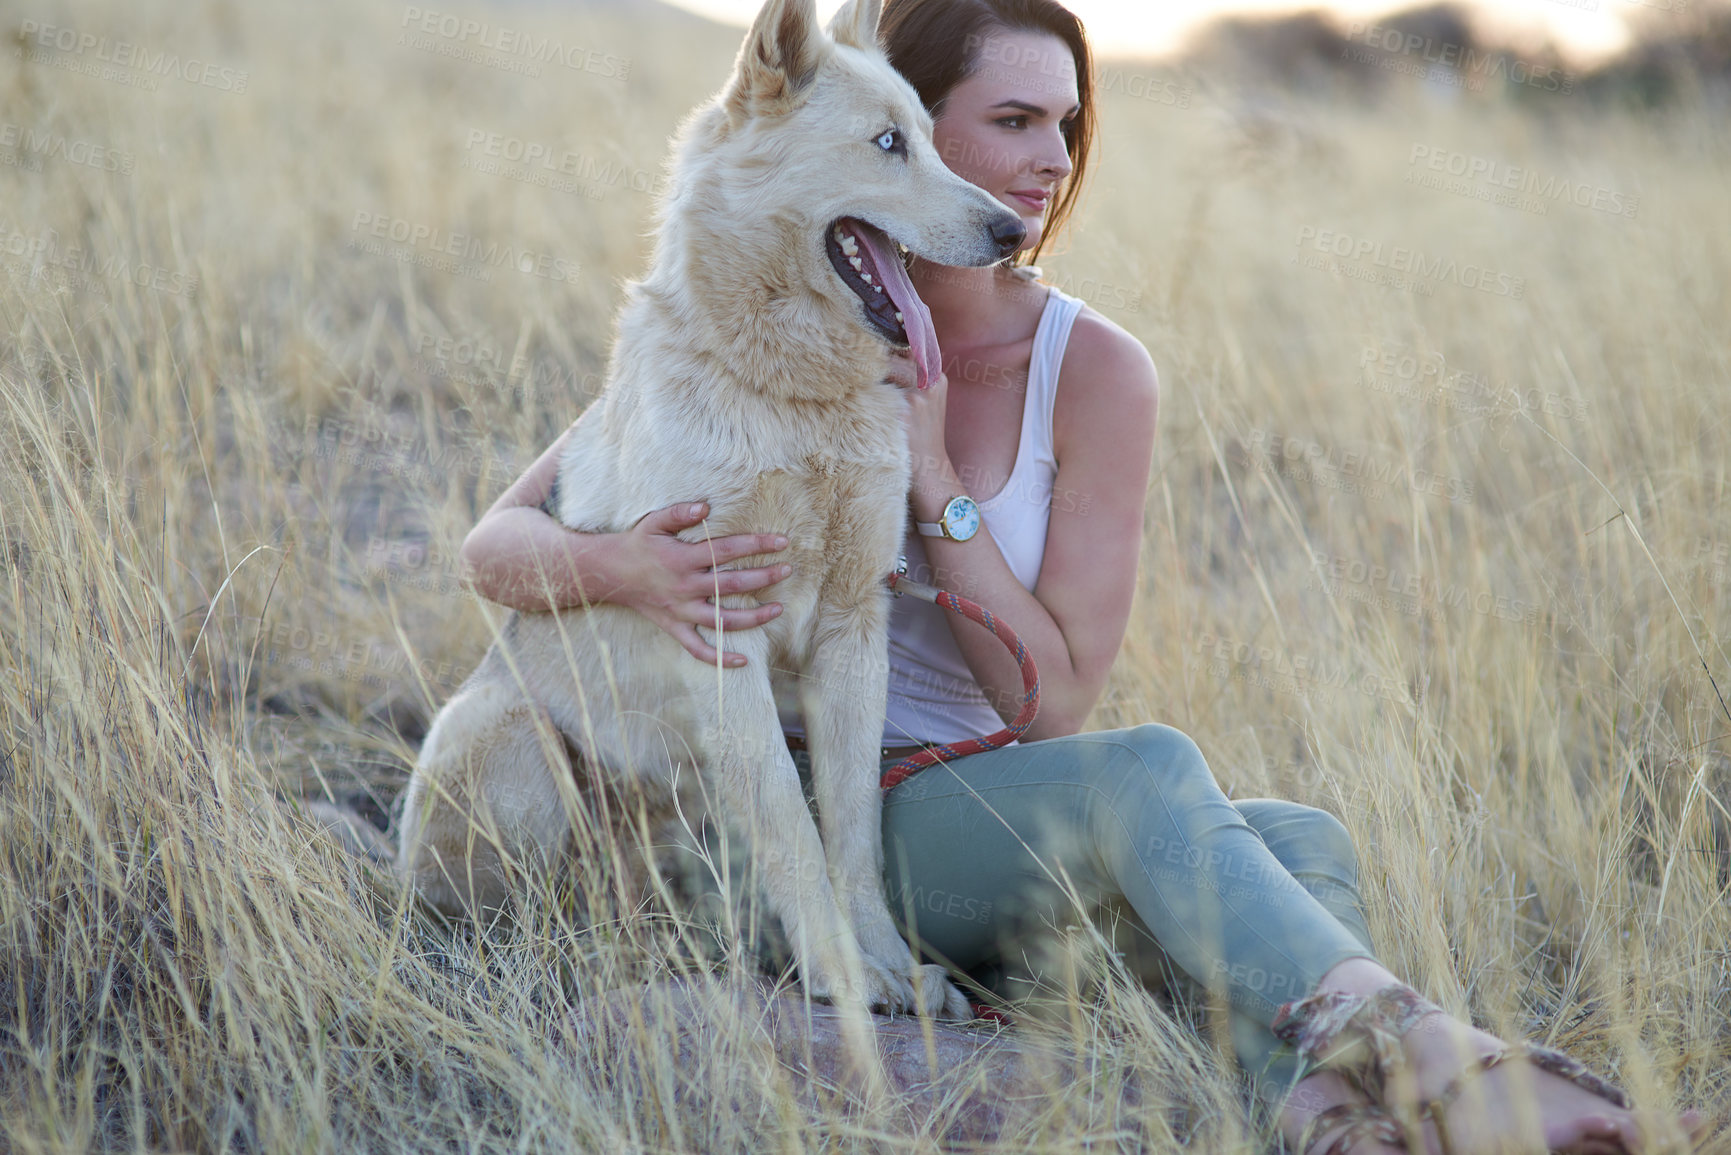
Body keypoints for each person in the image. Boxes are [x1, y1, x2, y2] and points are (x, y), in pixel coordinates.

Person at [453, 2, 1701, 1152]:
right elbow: (501, 543)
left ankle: (1331, 1117)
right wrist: (620, 564)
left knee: (1295, 832)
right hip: (829, 817)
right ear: (911, 124)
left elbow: (1047, 709)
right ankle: (1440, 1057)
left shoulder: (1093, 368)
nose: (1052, 159)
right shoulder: (771, 325)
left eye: (1066, 123)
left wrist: (937, 475)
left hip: (985, 799)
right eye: (1008, 122)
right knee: (1157, 777)